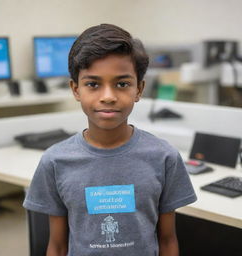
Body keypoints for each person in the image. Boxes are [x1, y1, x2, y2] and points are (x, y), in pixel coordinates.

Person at [23, 24, 197, 256]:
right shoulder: (55, 161)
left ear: (139, 89)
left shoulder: (164, 157)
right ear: (76, 90)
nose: (108, 97)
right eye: (93, 84)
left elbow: (167, 241)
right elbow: (57, 245)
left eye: (122, 84)